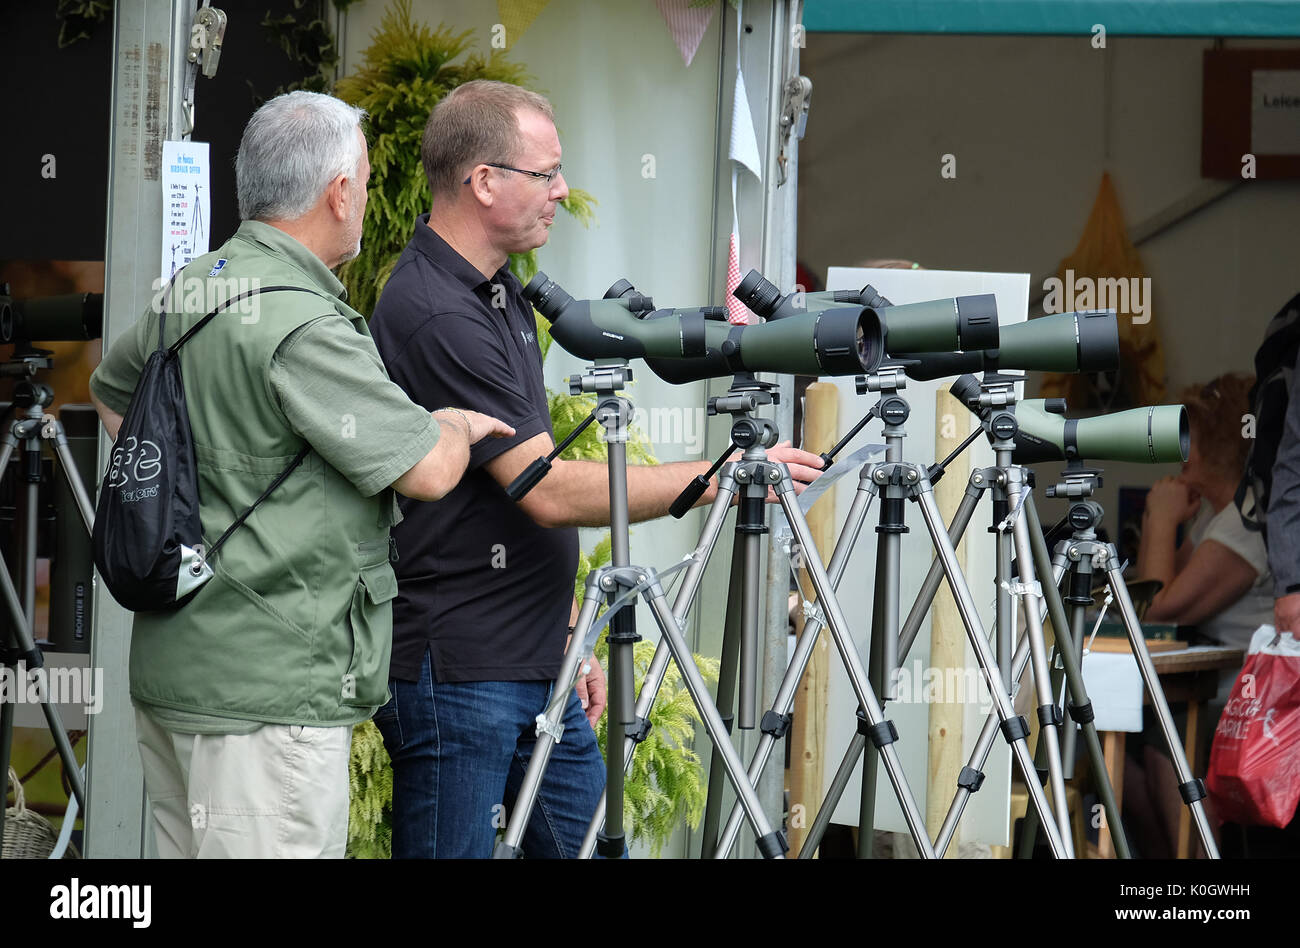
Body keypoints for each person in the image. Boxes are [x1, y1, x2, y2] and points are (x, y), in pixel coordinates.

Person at [368, 79, 824, 858]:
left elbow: (506, 493)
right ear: (484, 181)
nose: (562, 191)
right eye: (546, 174)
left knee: (586, 844)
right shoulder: (437, 310)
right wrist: (718, 477)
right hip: (461, 674)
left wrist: (569, 628)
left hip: (531, 660)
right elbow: (540, 488)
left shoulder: (496, 291)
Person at [89, 91, 512, 858]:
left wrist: (205, 490)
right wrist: (450, 424)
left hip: (177, 672)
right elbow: (425, 471)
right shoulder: (304, 323)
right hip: (268, 694)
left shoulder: (192, 287)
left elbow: (114, 397)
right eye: (368, 180)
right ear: (339, 192)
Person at [1127, 372, 1267, 858]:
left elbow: (1159, 609)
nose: (1180, 448)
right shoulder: (1218, 514)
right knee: (1126, 765)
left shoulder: (1246, 523)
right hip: (1204, 689)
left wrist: (1162, 519)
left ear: (1214, 444)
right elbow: (1152, 592)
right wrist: (1156, 521)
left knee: (1160, 741)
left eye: (1189, 436)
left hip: (1243, 703)